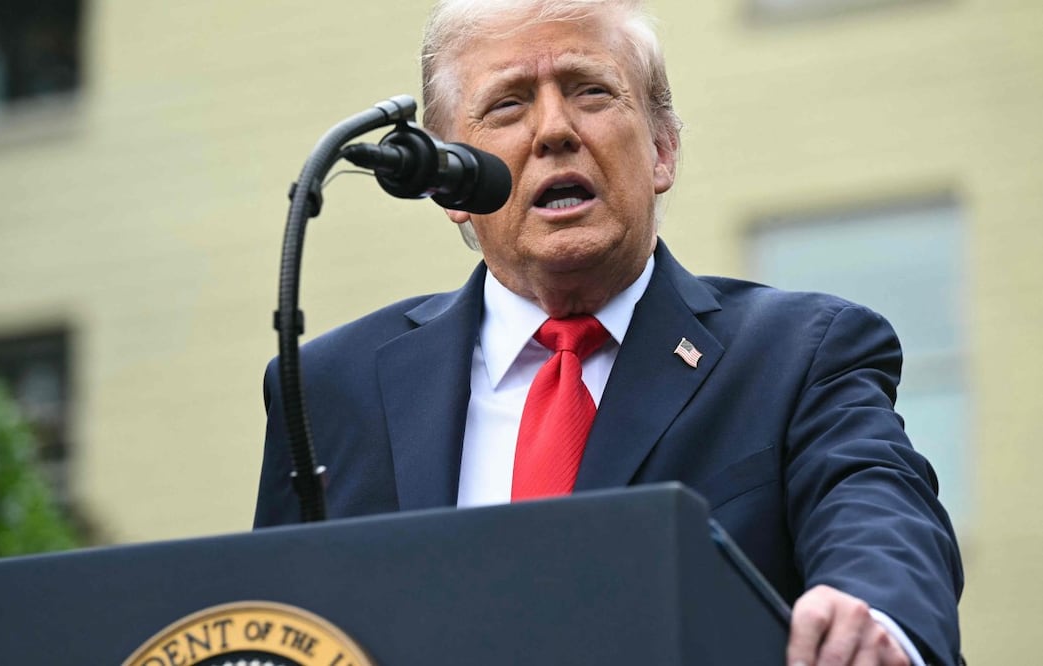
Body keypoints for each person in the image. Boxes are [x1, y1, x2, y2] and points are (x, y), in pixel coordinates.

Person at [254, 1, 964, 664]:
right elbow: (267, 625)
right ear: (449, 183)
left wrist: (875, 620)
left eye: (591, 92)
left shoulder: (798, 354)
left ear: (662, 150)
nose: (554, 130)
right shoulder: (331, 388)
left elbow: (879, 517)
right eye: (507, 104)